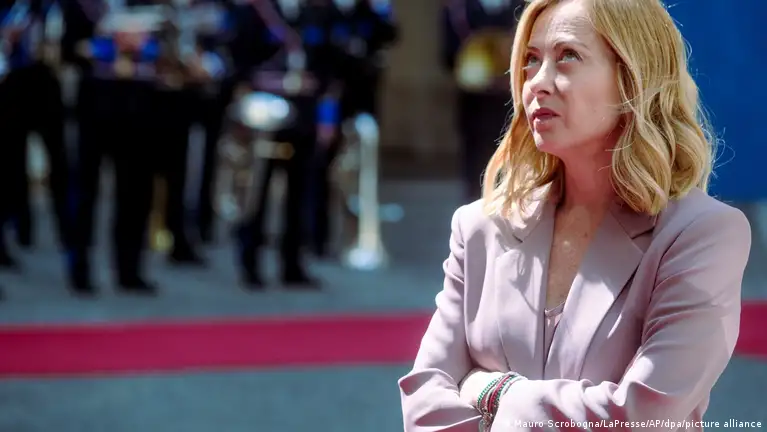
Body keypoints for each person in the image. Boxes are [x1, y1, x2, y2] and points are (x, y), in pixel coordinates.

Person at [398, 0, 751, 430]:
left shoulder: (701, 233)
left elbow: (644, 414)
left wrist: (497, 392)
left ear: (634, 77)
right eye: (531, 59)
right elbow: (424, 405)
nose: (537, 82)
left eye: (567, 56)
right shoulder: (481, 227)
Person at [228, 0, 342, 289]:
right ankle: (250, 262)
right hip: (266, 116)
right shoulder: (257, 11)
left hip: (304, 116)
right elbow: (240, 64)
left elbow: (329, 75)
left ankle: (293, 264)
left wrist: (327, 120)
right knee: (257, 191)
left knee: (299, 194)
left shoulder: (318, 11)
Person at [63, 0, 161, 294]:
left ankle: (130, 269)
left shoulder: (150, 6)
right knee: (85, 191)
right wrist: (107, 47)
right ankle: (80, 267)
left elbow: (168, 45)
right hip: (96, 105)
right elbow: (68, 49)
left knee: (135, 192)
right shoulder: (81, 5)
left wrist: (142, 46)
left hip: (139, 106)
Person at [0, 0, 69, 263]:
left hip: (44, 80)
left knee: (59, 162)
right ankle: (18, 227)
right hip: (11, 82)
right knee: (11, 163)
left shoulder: (48, 7)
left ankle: (67, 231)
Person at [442, 0, 524, 202]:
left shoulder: (522, 5)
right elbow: (448, 56)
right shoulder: (459, 8)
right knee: (474, 152)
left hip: (511, 97)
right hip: (473, 99)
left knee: (513, 149)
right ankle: (474, 200)